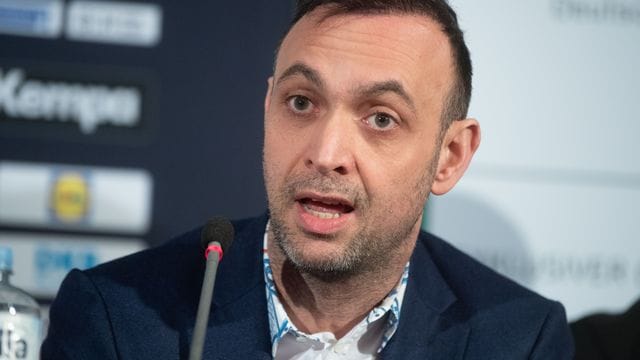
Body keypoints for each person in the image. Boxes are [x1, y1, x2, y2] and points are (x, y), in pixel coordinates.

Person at [42, 1, 574, 359]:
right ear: (268, 106)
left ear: (450, 156)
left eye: (381, 118)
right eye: (301, 103)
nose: (325, 153)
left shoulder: (518, 339)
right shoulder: (116, 319)